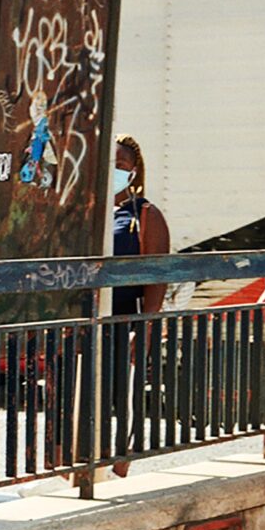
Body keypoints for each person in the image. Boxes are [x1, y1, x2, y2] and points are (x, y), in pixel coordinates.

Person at [108, 133, 171, 476]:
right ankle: (77, 472)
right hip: (85, 324)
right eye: (110, 164)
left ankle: (118, 471)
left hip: (125, 324)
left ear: (134, 172)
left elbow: (157, 278)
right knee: (77, 403)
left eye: (121, 165)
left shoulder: (145, 215)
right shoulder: (87, 213)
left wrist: (145, 327)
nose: (114, 170)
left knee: (123, 403)